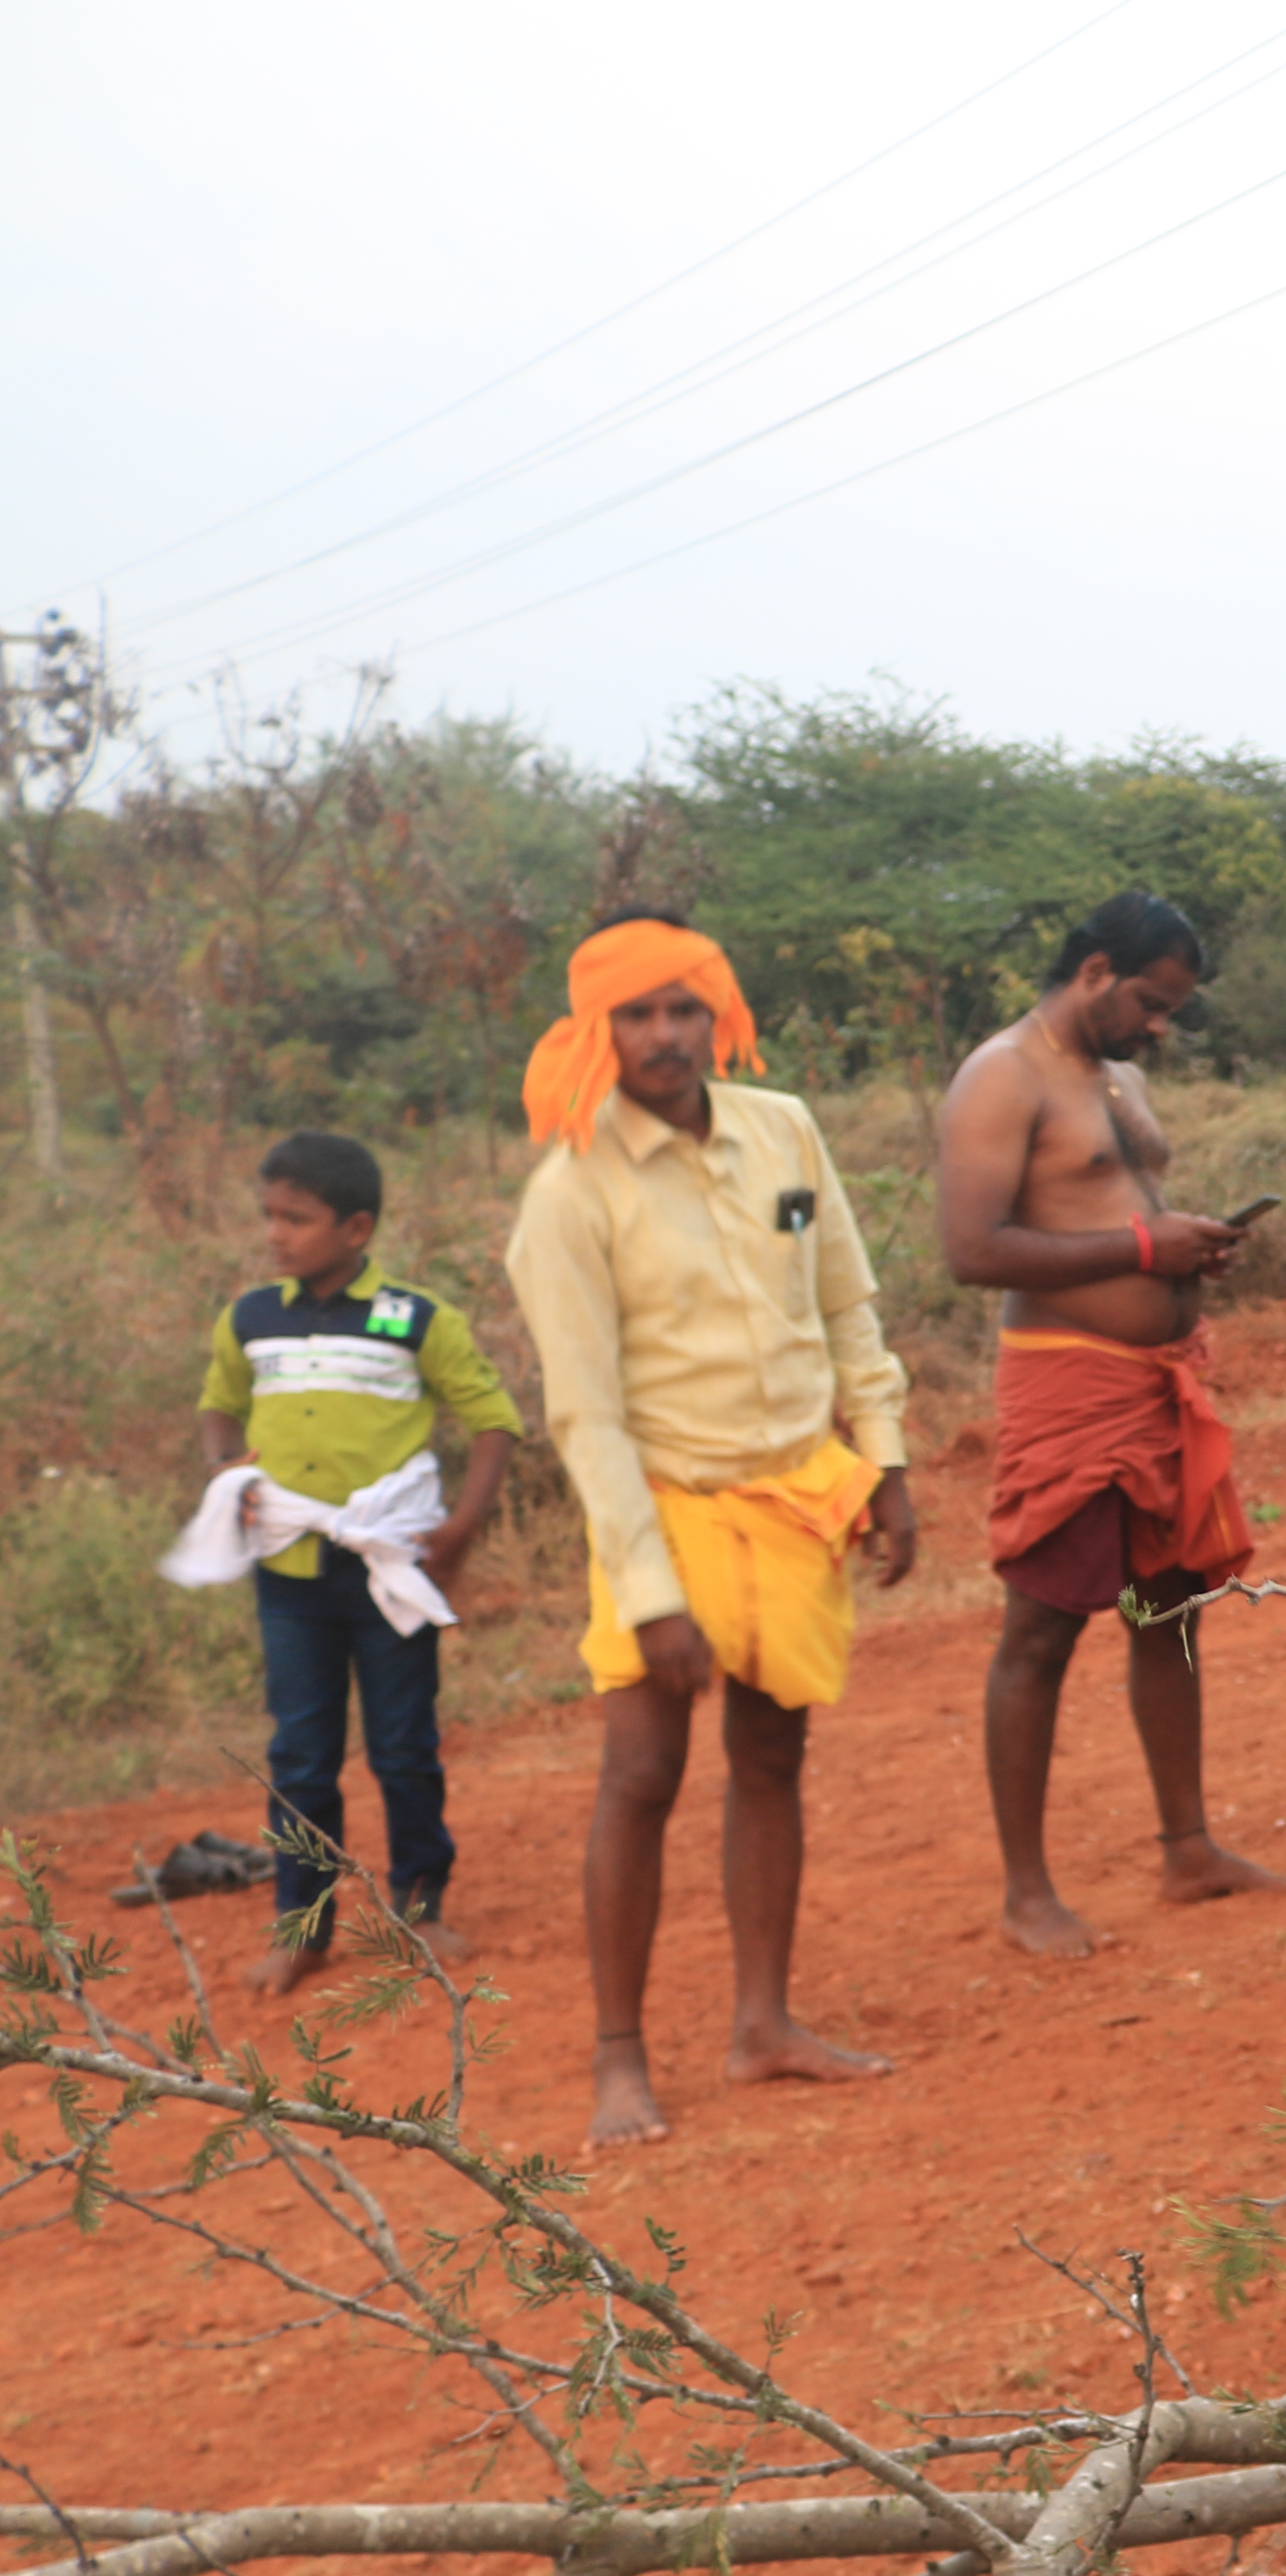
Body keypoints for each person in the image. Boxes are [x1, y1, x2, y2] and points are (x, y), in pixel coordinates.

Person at [502, 915, 919, 2149]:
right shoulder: (570, 1193)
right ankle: (618, 2057)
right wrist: (650, 1593)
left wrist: (885, 1461)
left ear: (715, 1015)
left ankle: (762, 2025)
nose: (667, 1035)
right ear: (597, 1031)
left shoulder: (782, 1128)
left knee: (772, 1755)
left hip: (796, 1490)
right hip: (665, 1509)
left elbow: (848, 1303)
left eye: (685, 1009)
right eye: (638, 1015)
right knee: (640, 1775)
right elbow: (584, 1416)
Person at [934, 890, 1286, 1960]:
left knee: (1171, 1607)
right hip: (1067, 1385)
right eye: (1149, 1002)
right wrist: (1146, 1253)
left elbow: (1115, 1209)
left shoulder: (1120, 1077)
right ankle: (1026, 1893)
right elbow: (973, 1250)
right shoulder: (1002, 1074)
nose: (1158, 1028)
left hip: (1159, 1381)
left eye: (1173, 1010)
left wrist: (1190, 1248)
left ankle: (1188, 1849)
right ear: (1094, 971)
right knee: (1040, 1629)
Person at [173, 1130, 522, 1994]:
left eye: (297, 1218)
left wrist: (464, 1527)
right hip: (289, 1575)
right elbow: (220, 1405)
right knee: (299, 1755)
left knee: (404, 1744)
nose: (276, 1233)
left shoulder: (413, 1318)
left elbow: (494, 1420)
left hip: (387, 1569)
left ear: (356, 1226)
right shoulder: (253, 1316)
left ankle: (420, 1906)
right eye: (270, 1216)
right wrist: (226, 1470)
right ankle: (303, 1928)